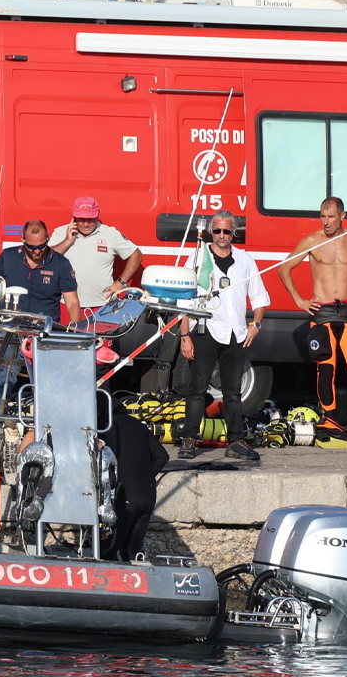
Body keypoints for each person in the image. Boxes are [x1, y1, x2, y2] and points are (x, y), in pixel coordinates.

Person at [276, 196, 347, 440]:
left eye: (331, 217)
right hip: (322, 311)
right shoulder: (312, 241)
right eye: (323, 216)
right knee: (326, 370)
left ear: (343, 216)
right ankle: (330, 422)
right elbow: (284, 268)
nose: (326, 222)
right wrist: (299, 300)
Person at [0, 220, 81, 447]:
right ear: (23, 242)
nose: (36, 252)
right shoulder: (8, 257)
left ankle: (50, 437)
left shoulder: (61, 263)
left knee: (49, 388)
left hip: (44, 334)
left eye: (41, 246)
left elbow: (72, 302)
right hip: (11, 331)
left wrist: (75, 329)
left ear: (47, 241)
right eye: (31, 247)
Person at [178, 210, 268, 461]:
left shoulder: (246, 260)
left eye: (226, 231)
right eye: (216, 230)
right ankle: (189, 439)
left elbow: (260, 298)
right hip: (204, 331)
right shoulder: (198, 257)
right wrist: (185, 335)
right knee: (197, 389)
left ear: (233, 233)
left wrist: (256, 326)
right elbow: (183, 299)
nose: (221, 235)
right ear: (210, 232)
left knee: (233, 392)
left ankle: (236, 441)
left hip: (236, 334)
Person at [100, 395, 168, 562]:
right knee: (132, 554)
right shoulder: (138, 425)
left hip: (126, 498)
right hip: (147, 496)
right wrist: (144, 477)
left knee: (109, 552)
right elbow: (162, 456)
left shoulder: (106, 427)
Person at [49, 195, 142, 309]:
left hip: (102, 305)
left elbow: (136, 254)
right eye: (82, 219)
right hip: (65, 304)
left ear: (97, 215)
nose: (86, 224)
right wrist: (67, 241)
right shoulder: (60, 232)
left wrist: (121, 282)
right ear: (74, 216)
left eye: (90, 219)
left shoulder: (110, 233)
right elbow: (47, 259)